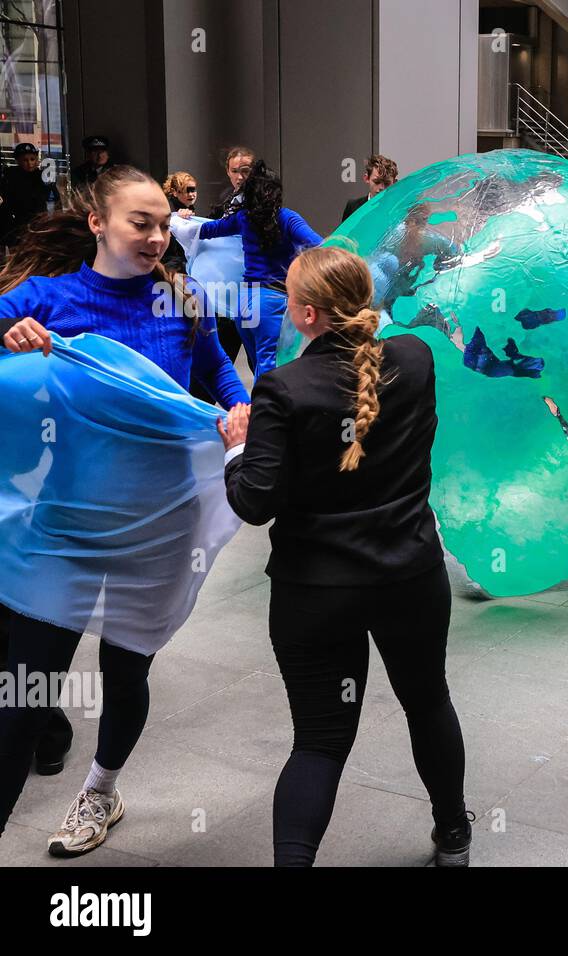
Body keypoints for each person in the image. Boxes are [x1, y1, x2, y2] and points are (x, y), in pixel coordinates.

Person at [0, 165, 248, 854]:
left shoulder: (182, 298)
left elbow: (217, 369)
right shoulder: (45, 297)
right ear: (97, 224)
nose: (157, 236)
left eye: (165, 224)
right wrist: (8, 338)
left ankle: (100, 793)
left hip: (159, 521)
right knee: (24, 693)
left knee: (126, 668)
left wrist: (238, 404)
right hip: (67, 522)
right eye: (142, 222)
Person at [218, 245, 470, 866]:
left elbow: (255, 502)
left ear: (305, 315)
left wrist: (236, 448)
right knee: (427, 700)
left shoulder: (283, 388)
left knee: (320, 742)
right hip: (408, 572)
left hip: (315, 588)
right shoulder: (415, 359)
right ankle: (454, 834)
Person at [197, 160, 323, 379]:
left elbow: (207, 230)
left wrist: (179, 219)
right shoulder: (286, 218)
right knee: (270, 371)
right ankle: (264, 413)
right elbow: (319, 246)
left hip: (244, 302)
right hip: (271, 301)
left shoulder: (244, 218)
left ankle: (259, 410)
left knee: (259, 366)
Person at [1, 143, 55, 251]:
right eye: (25, 160)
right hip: (16, 227)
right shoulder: (10, 177)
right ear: (18, 161)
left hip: (38, 226)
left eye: (32, 159)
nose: (29, 164)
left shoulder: (43, 177)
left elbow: (52, 199)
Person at [340, 154, 398, 226]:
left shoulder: (399, 210)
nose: (381, 187)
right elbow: (342, 236)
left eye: (386, 183)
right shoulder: (353, 207)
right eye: (377, 182)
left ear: (394, 183)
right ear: (366, 178)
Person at [160, 171, 199, 273]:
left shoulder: (188, 208)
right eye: (186, 191)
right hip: (171, 265)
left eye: (193, 190)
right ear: (175, 192)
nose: (191, 194)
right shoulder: (168, 209)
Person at [210, 146, 255, 219]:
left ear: (254, 171)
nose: (240, 177)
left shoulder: (262, 200)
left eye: (245, 171)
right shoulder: (224, 197)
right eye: (234, 171)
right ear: (228, 172)